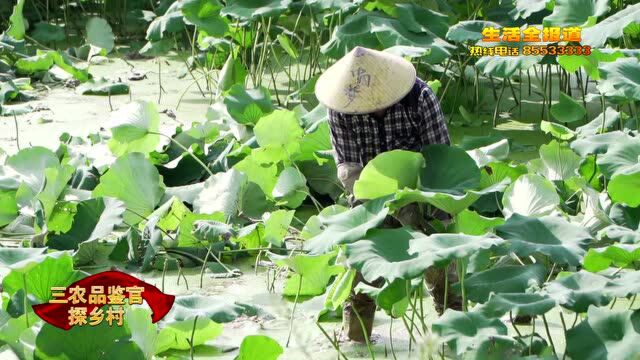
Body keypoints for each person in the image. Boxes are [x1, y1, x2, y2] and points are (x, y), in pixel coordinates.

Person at [314, 46, 461, 342]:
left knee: (443, 275)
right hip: (372, 197)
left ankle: (456, 339)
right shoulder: (340, 108)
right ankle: (357, 340)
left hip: (422, 192)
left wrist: (434, 216)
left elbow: (441, 160)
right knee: (362, 278)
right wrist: (368, 217)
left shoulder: (419, 98)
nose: (371, 106)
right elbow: (350, 168)